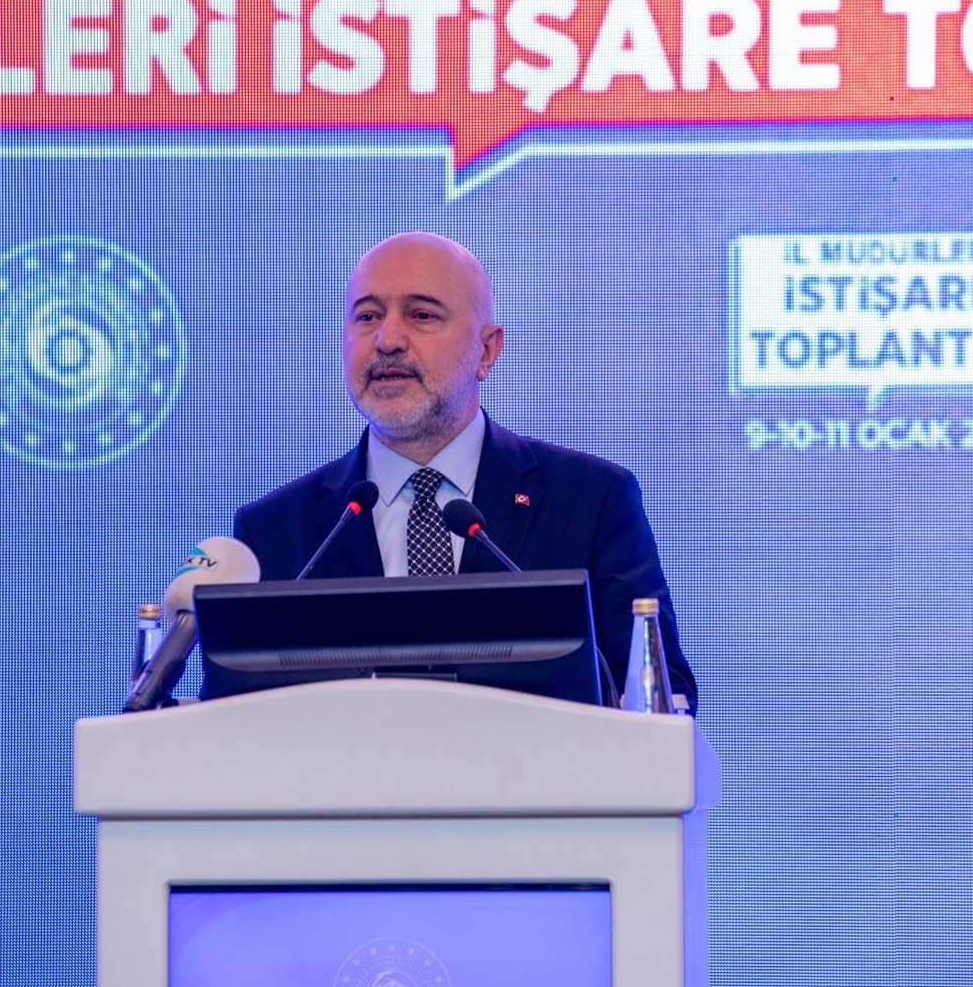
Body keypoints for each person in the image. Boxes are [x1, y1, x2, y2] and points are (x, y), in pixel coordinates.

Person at [232, 231, 697, 710]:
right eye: (367, 317)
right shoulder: (273, 531)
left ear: (487, 351)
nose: (387, 341)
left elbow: (661, 696)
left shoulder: (590, 501)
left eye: (422, 315)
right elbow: (229, 717)